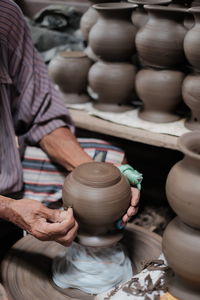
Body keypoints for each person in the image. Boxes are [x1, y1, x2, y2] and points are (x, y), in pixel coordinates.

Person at [0, 0, 140, 253]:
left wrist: (94, 173)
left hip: (8, 175)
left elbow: (42, 116)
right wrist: (7, 208)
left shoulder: (4, 15)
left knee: (110, 163)